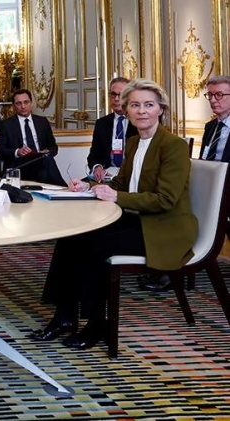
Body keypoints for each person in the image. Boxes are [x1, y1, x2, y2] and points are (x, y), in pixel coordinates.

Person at [29, 79, 197, 350]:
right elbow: (121, 184)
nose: (142, 111)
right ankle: (64, 317)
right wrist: (91, 186)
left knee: (96, 246)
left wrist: (115, 196)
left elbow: (165, 200)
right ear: (126, 110)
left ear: (160, 110)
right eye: (135, 105)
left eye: (149, 105)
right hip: (138, 218)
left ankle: (97, 324)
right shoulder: (133, 143)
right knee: (72, 237)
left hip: (165, 228)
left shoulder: (173, 146)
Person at [141, 74, 230, 293]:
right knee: (170, 210)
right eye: (210, 95)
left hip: (227, 193)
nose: (213, 100)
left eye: (219, 94)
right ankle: (169, 268)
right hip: (209, 192)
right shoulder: (211, 127)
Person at [0, 88, 67, 186]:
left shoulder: (42, 122)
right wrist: (17, 152)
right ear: (14, 106)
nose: (23, 106)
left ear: (31, 103)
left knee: (46, 161)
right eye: (19, 103)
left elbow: (53, 148)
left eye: (26, 102)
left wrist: (46, 152)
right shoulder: (6, 125)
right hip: (20, 165)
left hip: (40, 161)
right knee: (46, 166)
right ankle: (64, 187)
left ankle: (61, 188)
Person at [87, 77, 139, 182]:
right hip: (107, 175)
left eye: (121, 95)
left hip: (131, 176)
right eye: (113, 94)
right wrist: (97, 167)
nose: (116, 99)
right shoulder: (102, 123)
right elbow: (94, 155)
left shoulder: (138, 122)